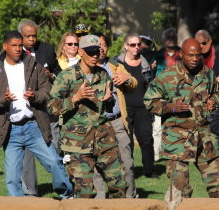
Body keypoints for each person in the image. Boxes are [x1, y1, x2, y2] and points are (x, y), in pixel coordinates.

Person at [0, 30, 72, 198]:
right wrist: (2, 98)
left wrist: (35, 96)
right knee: (13, 177)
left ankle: (66, 195)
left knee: (55, 162)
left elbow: (47, 88)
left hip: (34, 126)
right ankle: (17, 205)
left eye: (20, 45)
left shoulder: (32, 64)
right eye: (14, 45)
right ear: (5, 46)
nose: (18, 49)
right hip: (10, 130)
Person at [47, 34, 127, 198]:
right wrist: (75, 98)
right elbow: (51, 107)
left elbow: (106, 105)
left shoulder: (103, 74)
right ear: (80, 52)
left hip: (105, 139)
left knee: (119, 186)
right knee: (85, 193)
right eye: (90, 52)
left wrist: (110, 100)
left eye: (97, 51)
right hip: (77, 143)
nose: (95, 56)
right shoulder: (67, 76)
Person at [144, 38, 219, 210]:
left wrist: (213, 102)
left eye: (198, 55)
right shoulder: (166, 77)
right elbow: (149, 101)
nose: (195, 59)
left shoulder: (207, 74)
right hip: (178, 141)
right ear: (181, 55)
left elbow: (216, 92)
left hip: (205, 140)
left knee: (217, 186)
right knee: (179, 190)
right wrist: (170, 107)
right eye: (191, 55)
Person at [18, 19, 61, 195]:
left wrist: (51, 76)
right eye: (28, 36)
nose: (32, 39)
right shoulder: (12, 52)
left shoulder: (46, 50)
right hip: (24, 111)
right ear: (20, 36)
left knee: (55, 151)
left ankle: (63, 187)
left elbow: (59, 73)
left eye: (34, 35)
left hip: (46, 110)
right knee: (26, 155)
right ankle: (30, 193)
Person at [94, 32, 138, 198]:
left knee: (127, 163)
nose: (101, 49)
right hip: (97, 124)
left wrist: (127, 78)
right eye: (98, 46)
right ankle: (99, 202)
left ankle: (129, 199)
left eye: (104, 45)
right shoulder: (83, 69)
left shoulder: (115, 66)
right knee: (97, 166)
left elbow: (134, 83)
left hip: (118, 122)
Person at [116, 33, 158, 178]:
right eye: (132, 45)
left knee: (146, 139)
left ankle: (149, 171)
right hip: (124, 108)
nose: (136, 47)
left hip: (143, 108)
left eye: (138, 44)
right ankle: (128, 171)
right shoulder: (117, 63)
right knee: (126, 142)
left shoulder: (145, 63)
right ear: (126, 46)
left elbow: (150, 84)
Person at [152, 28, 181, 161]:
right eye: (167, 37)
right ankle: (156, 156)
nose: (170, 39)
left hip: (179, 95)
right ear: (163, 40)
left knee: (177, 125)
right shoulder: (156, 56)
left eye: (172, 37)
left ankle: (177, 153)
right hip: (160, 95)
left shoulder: (183, 54)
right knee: (157, 127)